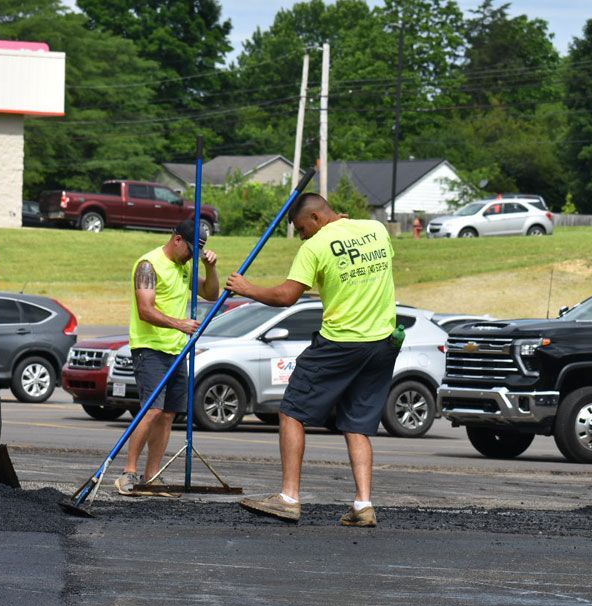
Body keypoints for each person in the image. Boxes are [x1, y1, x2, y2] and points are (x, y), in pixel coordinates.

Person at [225, 193, 398, 527]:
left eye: (303, 229)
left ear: (316, 219)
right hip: (381, 342)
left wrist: (247, 288)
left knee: (291, 410)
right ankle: (364, 504)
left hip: (341, 341)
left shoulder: (315, 246)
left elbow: (286, 296)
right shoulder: (376, 229)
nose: (302, 236)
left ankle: (289, 498)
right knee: (357, 423)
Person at [115, 220, 219, 496]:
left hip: (176, 350)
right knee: (153, 410)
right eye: (190, 250)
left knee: (169, 414)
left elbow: (211, 293)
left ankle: (153, 476)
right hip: (150, 347)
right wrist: (179, 324)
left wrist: (210, 268)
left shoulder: (183, 267)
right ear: (177, 240)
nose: (191, 257)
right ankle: (128, 472)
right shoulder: (148, 265)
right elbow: (145, 310)